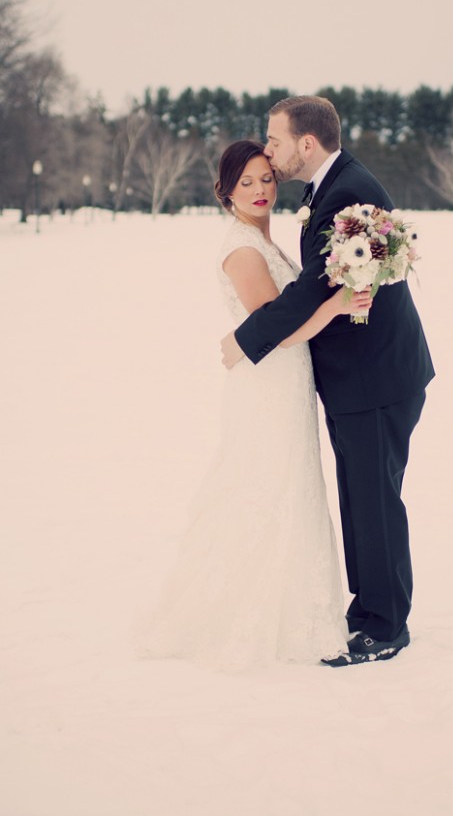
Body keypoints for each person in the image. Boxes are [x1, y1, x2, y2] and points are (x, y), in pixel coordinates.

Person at [140, 140, 372, 670]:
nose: (260, 189)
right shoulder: (243, 249)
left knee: (288, 487)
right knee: (264, 487)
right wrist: (337, 306)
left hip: (286, 384)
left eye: (266, 178)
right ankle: (242, 614)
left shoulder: (265, 240)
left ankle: (290, 604)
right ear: (225, 190)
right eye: (245, 182)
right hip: (266, 387)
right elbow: (279, 328)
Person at [221, 97, 435, 667]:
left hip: (377, 377)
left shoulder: (345, 190)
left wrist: (244, 341)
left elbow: (315, 289)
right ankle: (367, 611)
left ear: (306, 143)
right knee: (360, 496)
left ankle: (386, 624)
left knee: (374, 499)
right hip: (358, 379)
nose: (270, 149)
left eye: (275, 140)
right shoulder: (335, 185)